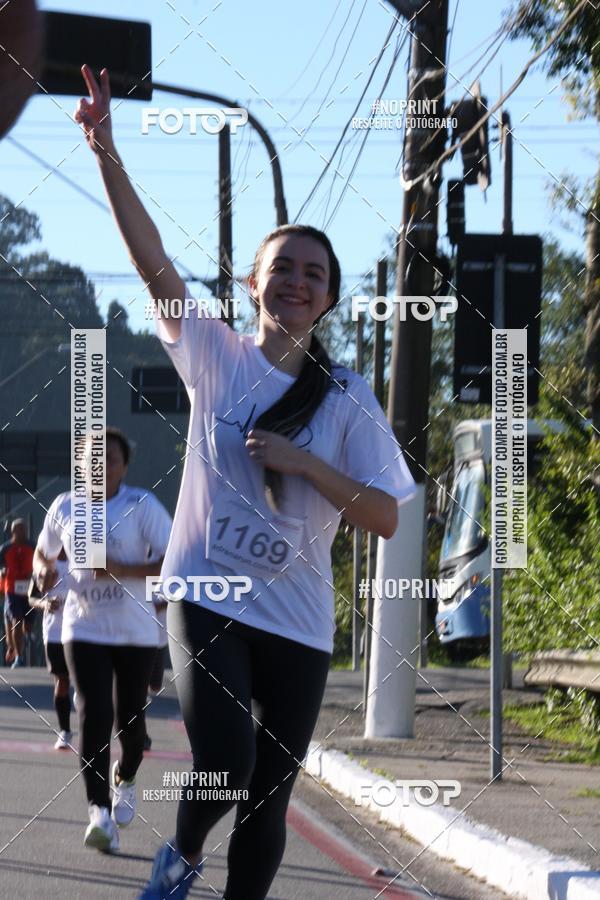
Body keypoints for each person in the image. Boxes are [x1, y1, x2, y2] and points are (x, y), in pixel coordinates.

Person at [75, 66, 416, 900]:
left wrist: (305, 464)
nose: (297, 281)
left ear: (329, 299)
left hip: (298, 622)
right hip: (206, 596)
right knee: (227, 760)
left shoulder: (348, 401)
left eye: (314, 273)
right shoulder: (216, 357)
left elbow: (383, 517)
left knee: (269, 796)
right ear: (252, 285)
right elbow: (152, 260)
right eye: (283, 268)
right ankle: (183, 851)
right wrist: (105, 150)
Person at [34, 427, 173, 853]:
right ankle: (99, 813)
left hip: (134, 630)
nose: (99, 465)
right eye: (91, 458)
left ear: (123, 466)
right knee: (93, 712)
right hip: (84, 626)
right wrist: (44, 571)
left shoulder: (142, 505)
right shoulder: (65, 506)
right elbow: (44, 553)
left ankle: (125, 776)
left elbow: (172, 563)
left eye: (108, 458)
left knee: (129, 722)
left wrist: (117, 569)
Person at [28, 548, 74, 750]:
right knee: (61, 680)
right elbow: (31, 597)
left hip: (81, 629)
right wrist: (45, 603)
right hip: (54, 631)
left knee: (84, 681)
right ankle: (65, 731)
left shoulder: (82, 556)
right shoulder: (45, 562)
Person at [0, 519, 36, 668]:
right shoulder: (5, 548)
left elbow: (40, 562)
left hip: (30, 589)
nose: (22, 532)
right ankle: (19, 657)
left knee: (27, 626)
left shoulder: (33, 546)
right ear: (13, 531)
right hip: (12, 588)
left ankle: (23, 638)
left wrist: (35, 572)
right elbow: (1, 565)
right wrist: (2, 571)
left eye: (24, 529)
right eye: (19, 529)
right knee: (17, 619)